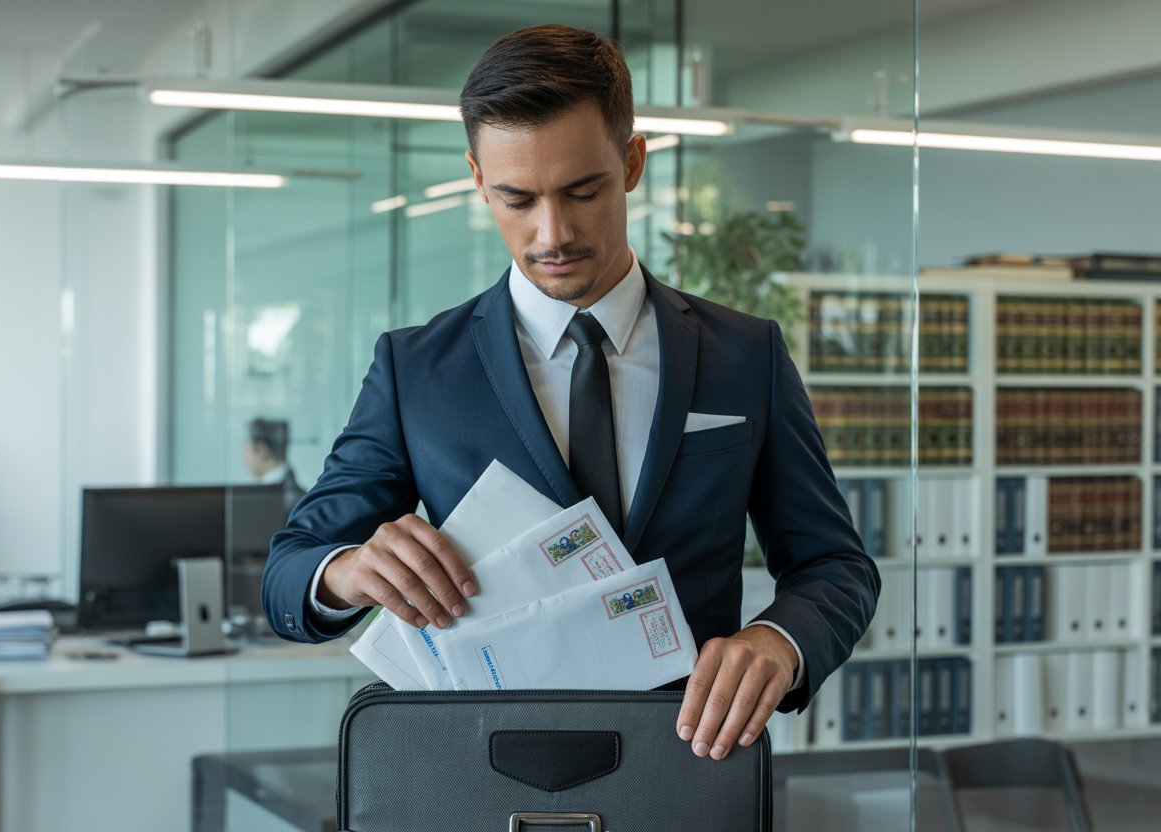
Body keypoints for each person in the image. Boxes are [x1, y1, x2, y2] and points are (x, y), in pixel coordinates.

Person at [263, 23, 878, 763]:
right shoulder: (415, 369)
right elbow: (289, 569)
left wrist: (779, 642)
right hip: (479, 775)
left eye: (582, 191)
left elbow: (835, 565)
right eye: (517, 199)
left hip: (684, 768)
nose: (551, 233)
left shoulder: (746, 356)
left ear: (632, 162)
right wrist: (347, 571)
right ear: (477, 179)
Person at [243, 417, 306, 512]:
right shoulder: (294, 495)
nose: (244, 453)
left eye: (247, 447)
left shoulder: (292, 499)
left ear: (262, 449)